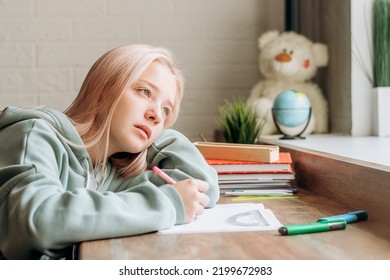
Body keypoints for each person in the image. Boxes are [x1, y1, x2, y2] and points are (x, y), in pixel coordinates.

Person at [0, 44, 219, 260]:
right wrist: (168, 203)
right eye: (145, 92)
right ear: (105, 88)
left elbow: (200, 190)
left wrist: (161, 134)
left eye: (166, 110)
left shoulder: (108, 173)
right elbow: (39, 219)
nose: (157, 116)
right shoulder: (33, 134)